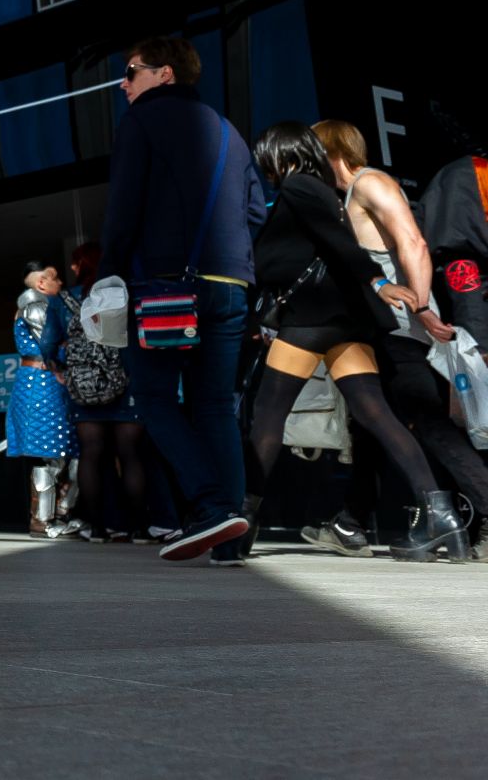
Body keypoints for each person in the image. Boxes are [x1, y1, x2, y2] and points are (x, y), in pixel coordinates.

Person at [243, 123, 469, 563]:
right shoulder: (323, 191)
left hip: (311, 320)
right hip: (343, 323)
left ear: (276, 153)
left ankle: (242, 518)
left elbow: (342, 247)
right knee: (376, 415)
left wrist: (378, 279)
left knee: (267, 414)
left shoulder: (299, 187)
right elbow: (334, 248)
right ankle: (441, 516)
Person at [99, 36, 262, 562]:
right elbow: (257, 211)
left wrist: (108, 276)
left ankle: (211, 508)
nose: (123, 84)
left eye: (131, 71)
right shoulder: (229, 132)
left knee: (152, 397)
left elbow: (123, 207)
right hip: (231, 285)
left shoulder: (142, 121)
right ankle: (231, 540)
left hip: (165, 287)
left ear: (165, 73)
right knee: (215, 405)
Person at [297, 122, 488, 562]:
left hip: (401, 327)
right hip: (378, 327)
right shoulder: (345, 196)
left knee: (428, 425)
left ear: (330, 148)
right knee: (372, 420)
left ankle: (447, 520)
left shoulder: (371, 182)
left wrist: (422, 306)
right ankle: (352, 521)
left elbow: (414, 243)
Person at [62, 244, 150, 542]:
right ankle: (138, 527)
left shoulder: (65, 299)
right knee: (130, 454)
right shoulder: (124, 293)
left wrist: (65, 367)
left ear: (85, 264)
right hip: (125, 381)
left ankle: (97, 528)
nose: (72, 269)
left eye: (75, 263)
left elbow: (49, 343)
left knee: (91, 454)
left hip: (85, 386)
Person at [11, 263, 82, 539]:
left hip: (48, 382)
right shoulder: (38, 307)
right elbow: (51, 345)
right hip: (43, 382)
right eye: (55, 278)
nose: (61, 283)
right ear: (41, 283)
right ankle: (43, 518)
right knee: (50, 454)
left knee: (65, 453)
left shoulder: (38, 305)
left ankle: (58, 513)